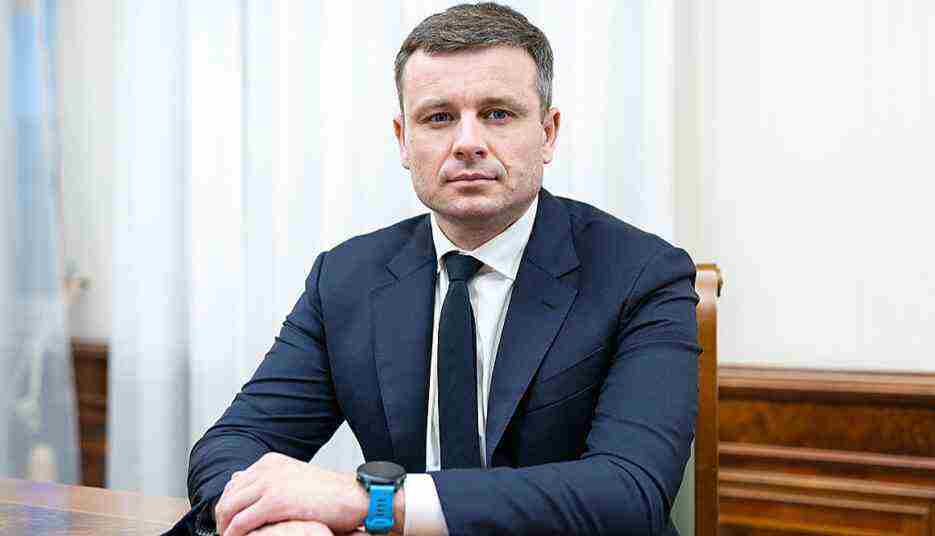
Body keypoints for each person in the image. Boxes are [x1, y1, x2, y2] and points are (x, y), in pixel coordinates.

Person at [166, 3, 699, 535]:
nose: (467, 143)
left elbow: (628, 491)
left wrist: (373, 502)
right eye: (439, 117)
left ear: (548, 132)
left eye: (498, 114)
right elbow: (233, 444)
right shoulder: (347, 278)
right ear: (403, 139)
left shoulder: (642, 275)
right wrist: (273, 525)